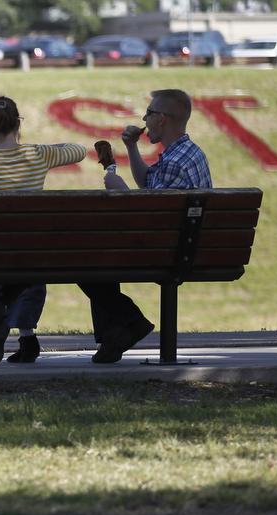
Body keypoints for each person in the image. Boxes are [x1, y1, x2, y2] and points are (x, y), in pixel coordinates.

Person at [83, 88, 213, 363]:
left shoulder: (174, 162)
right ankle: (117, 333)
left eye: (149, 113)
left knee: (84, 258)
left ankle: (129, 323)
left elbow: (149, 216)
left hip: (168, 252)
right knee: (94, 256)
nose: (144, 118)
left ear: (162, 119)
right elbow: (150, 186)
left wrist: (122, 193)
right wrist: (131, 147)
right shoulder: (186, 153)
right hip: (184, 246)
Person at [0, 96, 87, 366]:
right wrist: (46, 148)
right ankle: (24, 337)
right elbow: (79, 150)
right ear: (18, 123)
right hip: (32, 250)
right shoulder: (40, 154)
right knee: (28, 271)